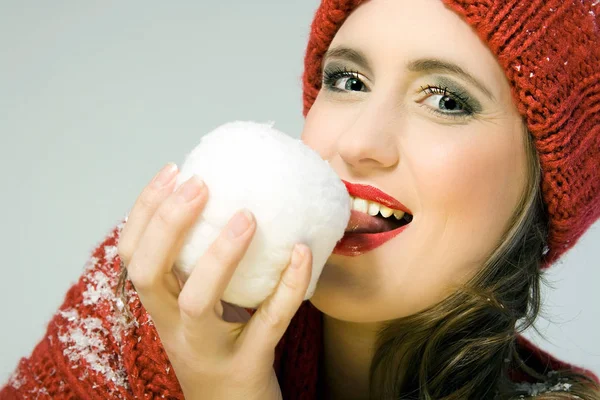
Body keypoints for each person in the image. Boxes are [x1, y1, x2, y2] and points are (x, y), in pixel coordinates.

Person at [2, 0, 599, 398]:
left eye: (446, 100)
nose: (360, 142)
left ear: (546, 187)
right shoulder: (152, 304)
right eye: (348, 81)